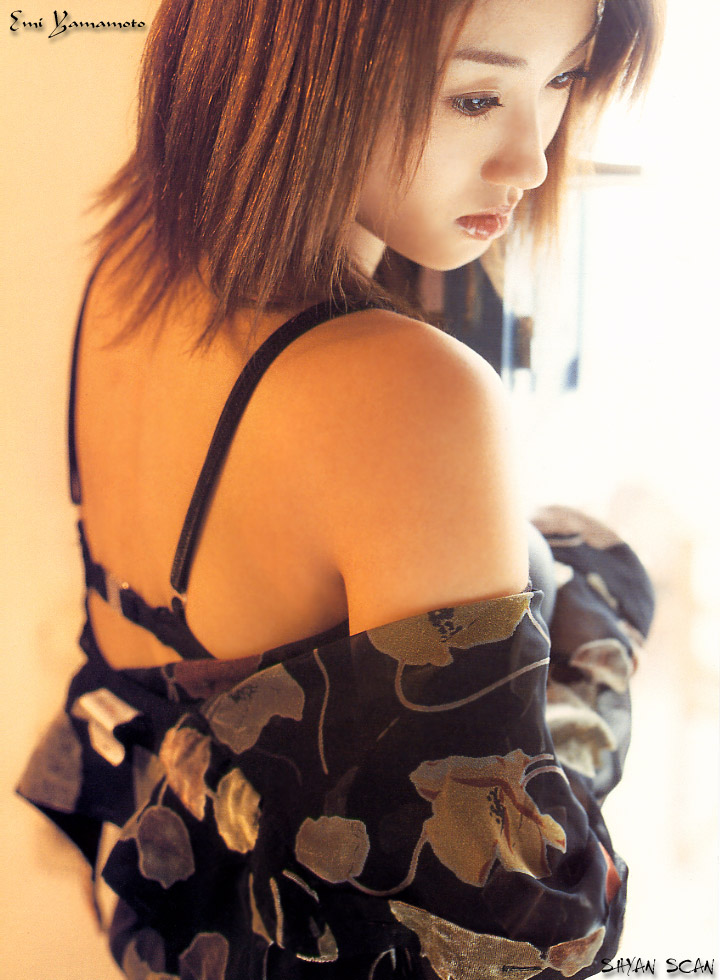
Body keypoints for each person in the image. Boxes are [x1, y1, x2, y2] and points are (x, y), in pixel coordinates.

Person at [17, 0, 662, 976]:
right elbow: (522, 925)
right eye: (475, 97)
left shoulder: (132, 260)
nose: (531, 160)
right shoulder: (408, 394)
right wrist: (600, 625)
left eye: (563, 79)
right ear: (298, 72)